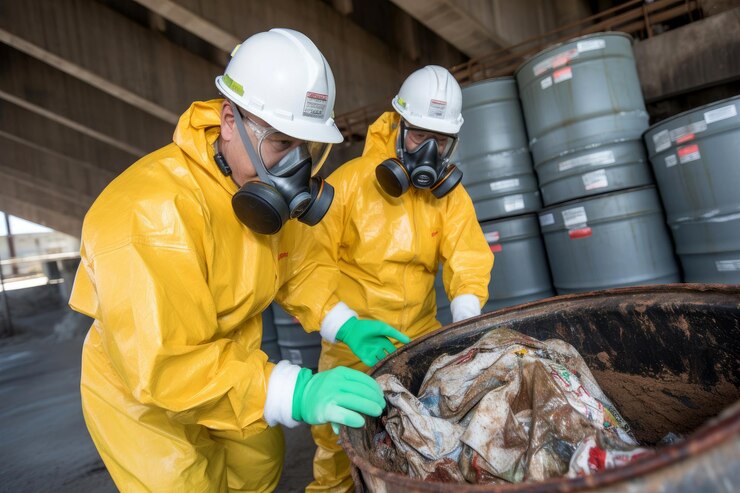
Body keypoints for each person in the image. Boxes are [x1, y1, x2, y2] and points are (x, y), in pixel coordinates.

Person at [69, 28, 395, 492]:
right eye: (282, 144)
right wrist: (296, 391)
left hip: (234, 365)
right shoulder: (147, 214)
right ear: (228, 120)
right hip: (147, 393)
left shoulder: (259, 193)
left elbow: (298, 267)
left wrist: (344, 324)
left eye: (306, 148)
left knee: (259, 465)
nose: (297, 167)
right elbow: (167, 363)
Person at [299, 65, 495, 491]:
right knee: (339, 451)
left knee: (421, 444)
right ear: (398, 126)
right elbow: (306, 265)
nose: (428, 153)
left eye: (440, 142)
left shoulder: (448, 199)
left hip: (420, 341)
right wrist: (342, 325)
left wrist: (465, 318)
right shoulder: (349, 185)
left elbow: (467, 256)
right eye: (418, 136)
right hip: (353, 345)